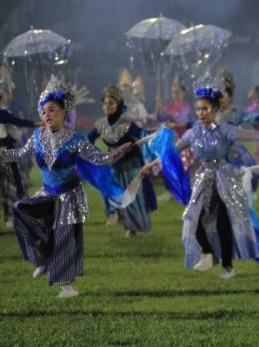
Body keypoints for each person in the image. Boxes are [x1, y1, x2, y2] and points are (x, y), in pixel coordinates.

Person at [2, 76, 132, 297]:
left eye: (51, 110)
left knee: (64, 237)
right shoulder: (37, 137)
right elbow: (20, 154)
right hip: (46, 193)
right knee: (20, 211)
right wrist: (4, 153)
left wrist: (118, 152)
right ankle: (42, 258)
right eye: (44, 111)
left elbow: (98, 159)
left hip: (68, 195)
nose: (47, 115)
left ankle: (68, 285)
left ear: (63, 112)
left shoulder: (75, 139)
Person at [141, 74, 259, 279]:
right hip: (203, 178)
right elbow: (173, 151)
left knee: (221, 221)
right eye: (199, 109)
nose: (201, 113)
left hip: (223, 178)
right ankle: (209, 253)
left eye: (205, 109)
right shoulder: (193, 133)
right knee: (191, 217)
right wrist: (153, 163)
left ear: (214, 109)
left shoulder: (225, 130)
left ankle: (227, 265)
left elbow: (250, 135)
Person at [87, 84, 156, 237]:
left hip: (131, 166)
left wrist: (155, 137)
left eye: (110, 103)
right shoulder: (100, 124)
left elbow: (143, 136)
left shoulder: (127, 124)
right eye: (104, 103)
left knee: (130, 199)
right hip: (112, 165)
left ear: (118, 105)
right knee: (111, 192)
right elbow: (87, 141)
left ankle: (132, 227)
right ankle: (115, 215)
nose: (106, 106)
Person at [0, 71, 39, 228]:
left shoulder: (3, 113)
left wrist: (38, 123)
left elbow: (20, 121)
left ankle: (11, 216)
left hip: (5, 152)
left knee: (10, 183)